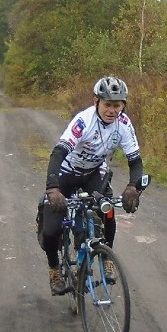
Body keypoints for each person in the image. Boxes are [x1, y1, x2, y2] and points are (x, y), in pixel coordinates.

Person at [39, 76, 143, 295]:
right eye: (107, 104)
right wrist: (53, 188)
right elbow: (58, 153)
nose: (112, 110)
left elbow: (135, 161)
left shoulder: (123, 124)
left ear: (123, 105)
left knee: (108, 211)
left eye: (117, 105)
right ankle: (54, 268)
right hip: (66, 172)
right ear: (96, 101)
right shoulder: (83, 121)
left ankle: (106, 256)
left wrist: (133, 187)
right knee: (51, 230)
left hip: (93, 173)